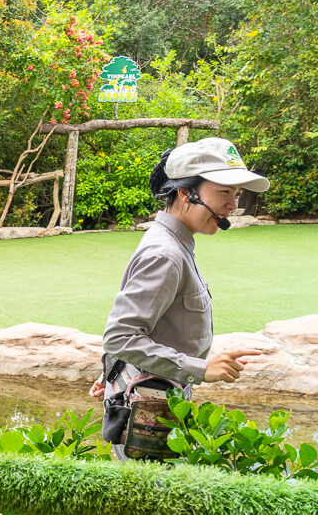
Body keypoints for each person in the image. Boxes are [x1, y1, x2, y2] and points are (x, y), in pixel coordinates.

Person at [89, 137, 269, 460]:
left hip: (157, 408)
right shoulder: (166, 254)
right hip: (147, 420)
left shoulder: (175, 243)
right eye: (225, 192)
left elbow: (146, 322)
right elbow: (119, 336)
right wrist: (201, 368)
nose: (233, 205)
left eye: (237, 194)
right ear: (186, 192)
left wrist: (110, 373)